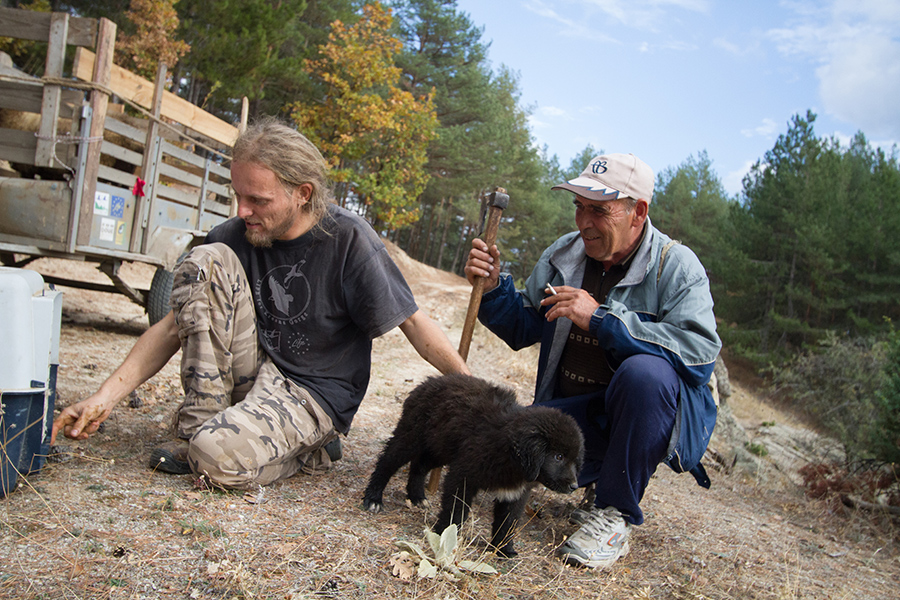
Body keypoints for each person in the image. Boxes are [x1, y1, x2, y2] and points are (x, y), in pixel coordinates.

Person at [52, 119, 469, 489]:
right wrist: (103, 397)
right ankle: (199, 428)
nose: (243, 211)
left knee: (215, 460)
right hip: (252, 374)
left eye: (258, 200)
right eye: (238, 195)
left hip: (313, 394)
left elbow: (412, 322)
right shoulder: (233, 235)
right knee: (206, 258)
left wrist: (473, 394)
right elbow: (170, 327)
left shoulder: (349, 240)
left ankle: (307, 450)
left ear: (302, 193)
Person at [464, 153, 720, 570]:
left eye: (599, 210)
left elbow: (698, 355)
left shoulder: (675, 266)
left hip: (641, 420)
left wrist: (601, 319)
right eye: (579, 207)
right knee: (504, 438)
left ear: (638, 212)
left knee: (646, 375)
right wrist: (493, 289)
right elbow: (524, 326)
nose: (584, 222)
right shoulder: (564, 255)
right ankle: (592, 473)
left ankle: (616, 514)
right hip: (574, 421)